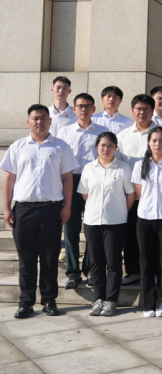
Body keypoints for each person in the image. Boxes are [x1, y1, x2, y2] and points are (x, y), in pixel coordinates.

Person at [2, 104, 78, 318]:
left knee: (50, 257)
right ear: (28, 122)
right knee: (26, 259)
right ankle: (25, 302)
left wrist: (67, 206)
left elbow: (67, 178)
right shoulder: (18, 146)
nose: (39, 121)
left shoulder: (61, 146)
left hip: (51, 210)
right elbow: (9, 179)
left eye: (43, 118)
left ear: (50, 121)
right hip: (23, 210)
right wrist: (6, 208)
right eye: (35, 118)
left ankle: (49, 300)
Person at [77, 132, 135, 317]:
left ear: (116, 148)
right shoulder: (88, 168)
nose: (106, 148)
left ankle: (111, 300)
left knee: (113, 262)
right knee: (96, 262)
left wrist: (121, 210)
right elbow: (85, 193)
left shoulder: (123, 168)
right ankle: (98, 299)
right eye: (103, 145)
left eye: (110, 145)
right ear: (97, 147)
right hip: (92, 221)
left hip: (115, 222)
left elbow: (130, 194)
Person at [58, 93, 106, 290]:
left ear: (94, 109)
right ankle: (72, 272)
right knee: (70, 230)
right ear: (74, 109)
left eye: (87, 106)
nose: (84, 109)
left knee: (93, 229)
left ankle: (90, 270)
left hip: (95, 182)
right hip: (71, 180)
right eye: (80, 106)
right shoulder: (64, 132)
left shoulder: (103, 131)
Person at [131, 127, 162, 318]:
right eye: (154, 140)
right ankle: (147, 302)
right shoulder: (139, 165)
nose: (158, 144)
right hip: (145, 218)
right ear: (149, 142)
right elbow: (139, 192)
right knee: (146, 261)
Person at [116, 94, 159, 285]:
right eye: (139, 109)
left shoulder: (161, 134)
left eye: (146, 109)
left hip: (156, 195)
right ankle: (133, 271)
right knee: (131, 234)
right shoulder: (123, 136)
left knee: (153, 236)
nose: (142, 112)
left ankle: (154, 272)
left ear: (152, 111)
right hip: (130, 195)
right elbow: (117, 163)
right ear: (132, 111)